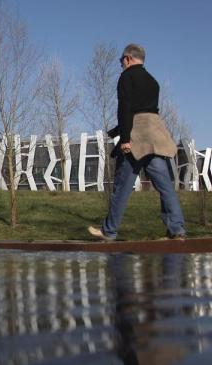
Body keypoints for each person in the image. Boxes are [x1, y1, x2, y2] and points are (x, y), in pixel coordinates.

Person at [88, 44, 186, 241]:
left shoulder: (126, 77)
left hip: (136, 139)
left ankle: (109, 231)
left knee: (122, 187)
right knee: (165, 186)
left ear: (128, 59)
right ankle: (176, 229)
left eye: (121, 61)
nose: (121, 64)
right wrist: (117, 130)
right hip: (155, 137)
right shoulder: (152, 81)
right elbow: (146, 110)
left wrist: (125, 139)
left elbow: (126, 109)